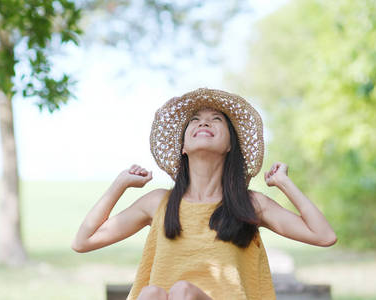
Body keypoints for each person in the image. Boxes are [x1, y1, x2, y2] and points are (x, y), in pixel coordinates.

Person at [72, 88, 337, 300]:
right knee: (152, 292)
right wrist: (120, 184)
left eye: (216, 120)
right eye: (195, 121)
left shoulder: (250, 205)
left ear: (230, 145)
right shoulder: (158, 203)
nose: (204, 123)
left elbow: (324, 236)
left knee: (182, 292)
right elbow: (83, 241)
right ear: (184, 147)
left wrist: (284, 184)